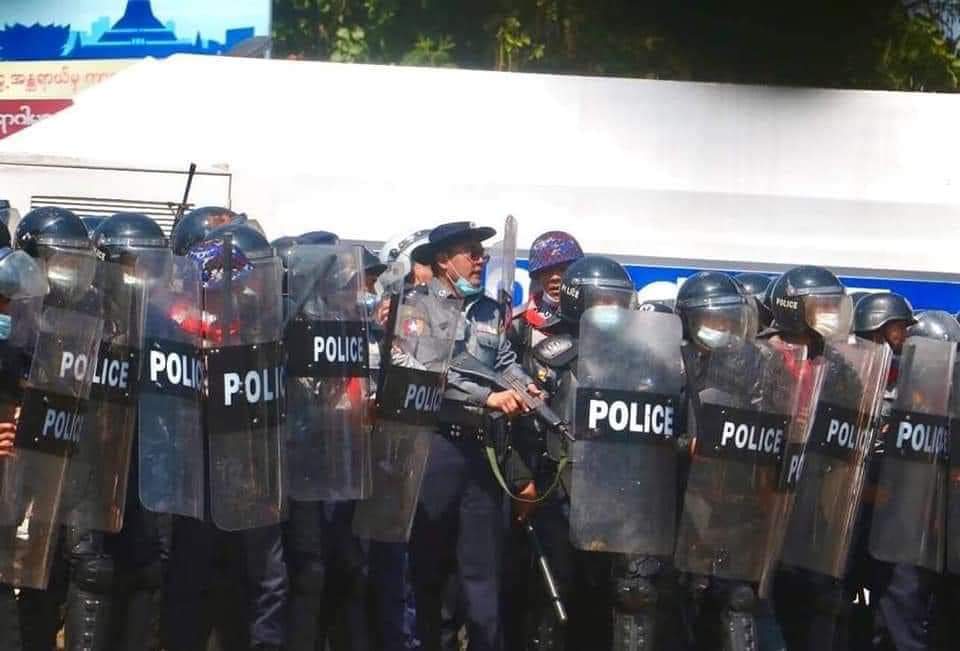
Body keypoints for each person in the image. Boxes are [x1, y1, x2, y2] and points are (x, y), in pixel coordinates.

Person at [407, 221, 540, 651]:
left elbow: (503, 360)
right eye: (471, 252)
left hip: (480, 452)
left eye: (482, 253)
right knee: (428, 571)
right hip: (434, 450)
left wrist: (524, 387)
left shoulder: (486, 311)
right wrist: (490, 398)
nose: (480, 259)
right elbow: (429, 372)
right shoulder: (417, 308)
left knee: (482, 575)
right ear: (445, 261)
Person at [162, 223, 288, 651]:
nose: (232, 294)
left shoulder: (257, 327)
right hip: (194, 477)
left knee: (264, 581)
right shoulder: (171, 327)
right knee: (194, 578)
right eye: (220, 285)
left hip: (251, 474)